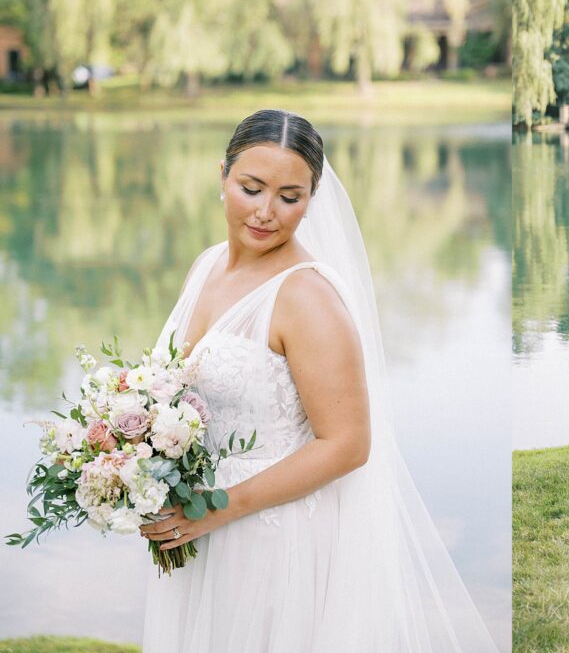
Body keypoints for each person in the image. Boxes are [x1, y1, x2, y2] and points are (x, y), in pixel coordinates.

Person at [139, 109, 497, 651]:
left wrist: (217, 508)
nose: (265, 213)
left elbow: (348, 444)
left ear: (313, 198)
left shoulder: (306, 298)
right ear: (222, 176)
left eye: (289, 196)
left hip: (268, 538)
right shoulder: (207, 265)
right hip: (198, 524)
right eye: (251, 188)